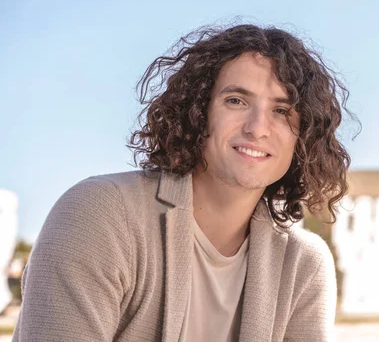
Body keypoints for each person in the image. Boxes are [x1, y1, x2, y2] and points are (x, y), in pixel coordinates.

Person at [14, 24, 355, 342]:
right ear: (197, 110)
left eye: (282, 111)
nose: (258, 128)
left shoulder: (305, 265)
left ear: (304, 137)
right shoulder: (98, 216)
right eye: (236, 100)